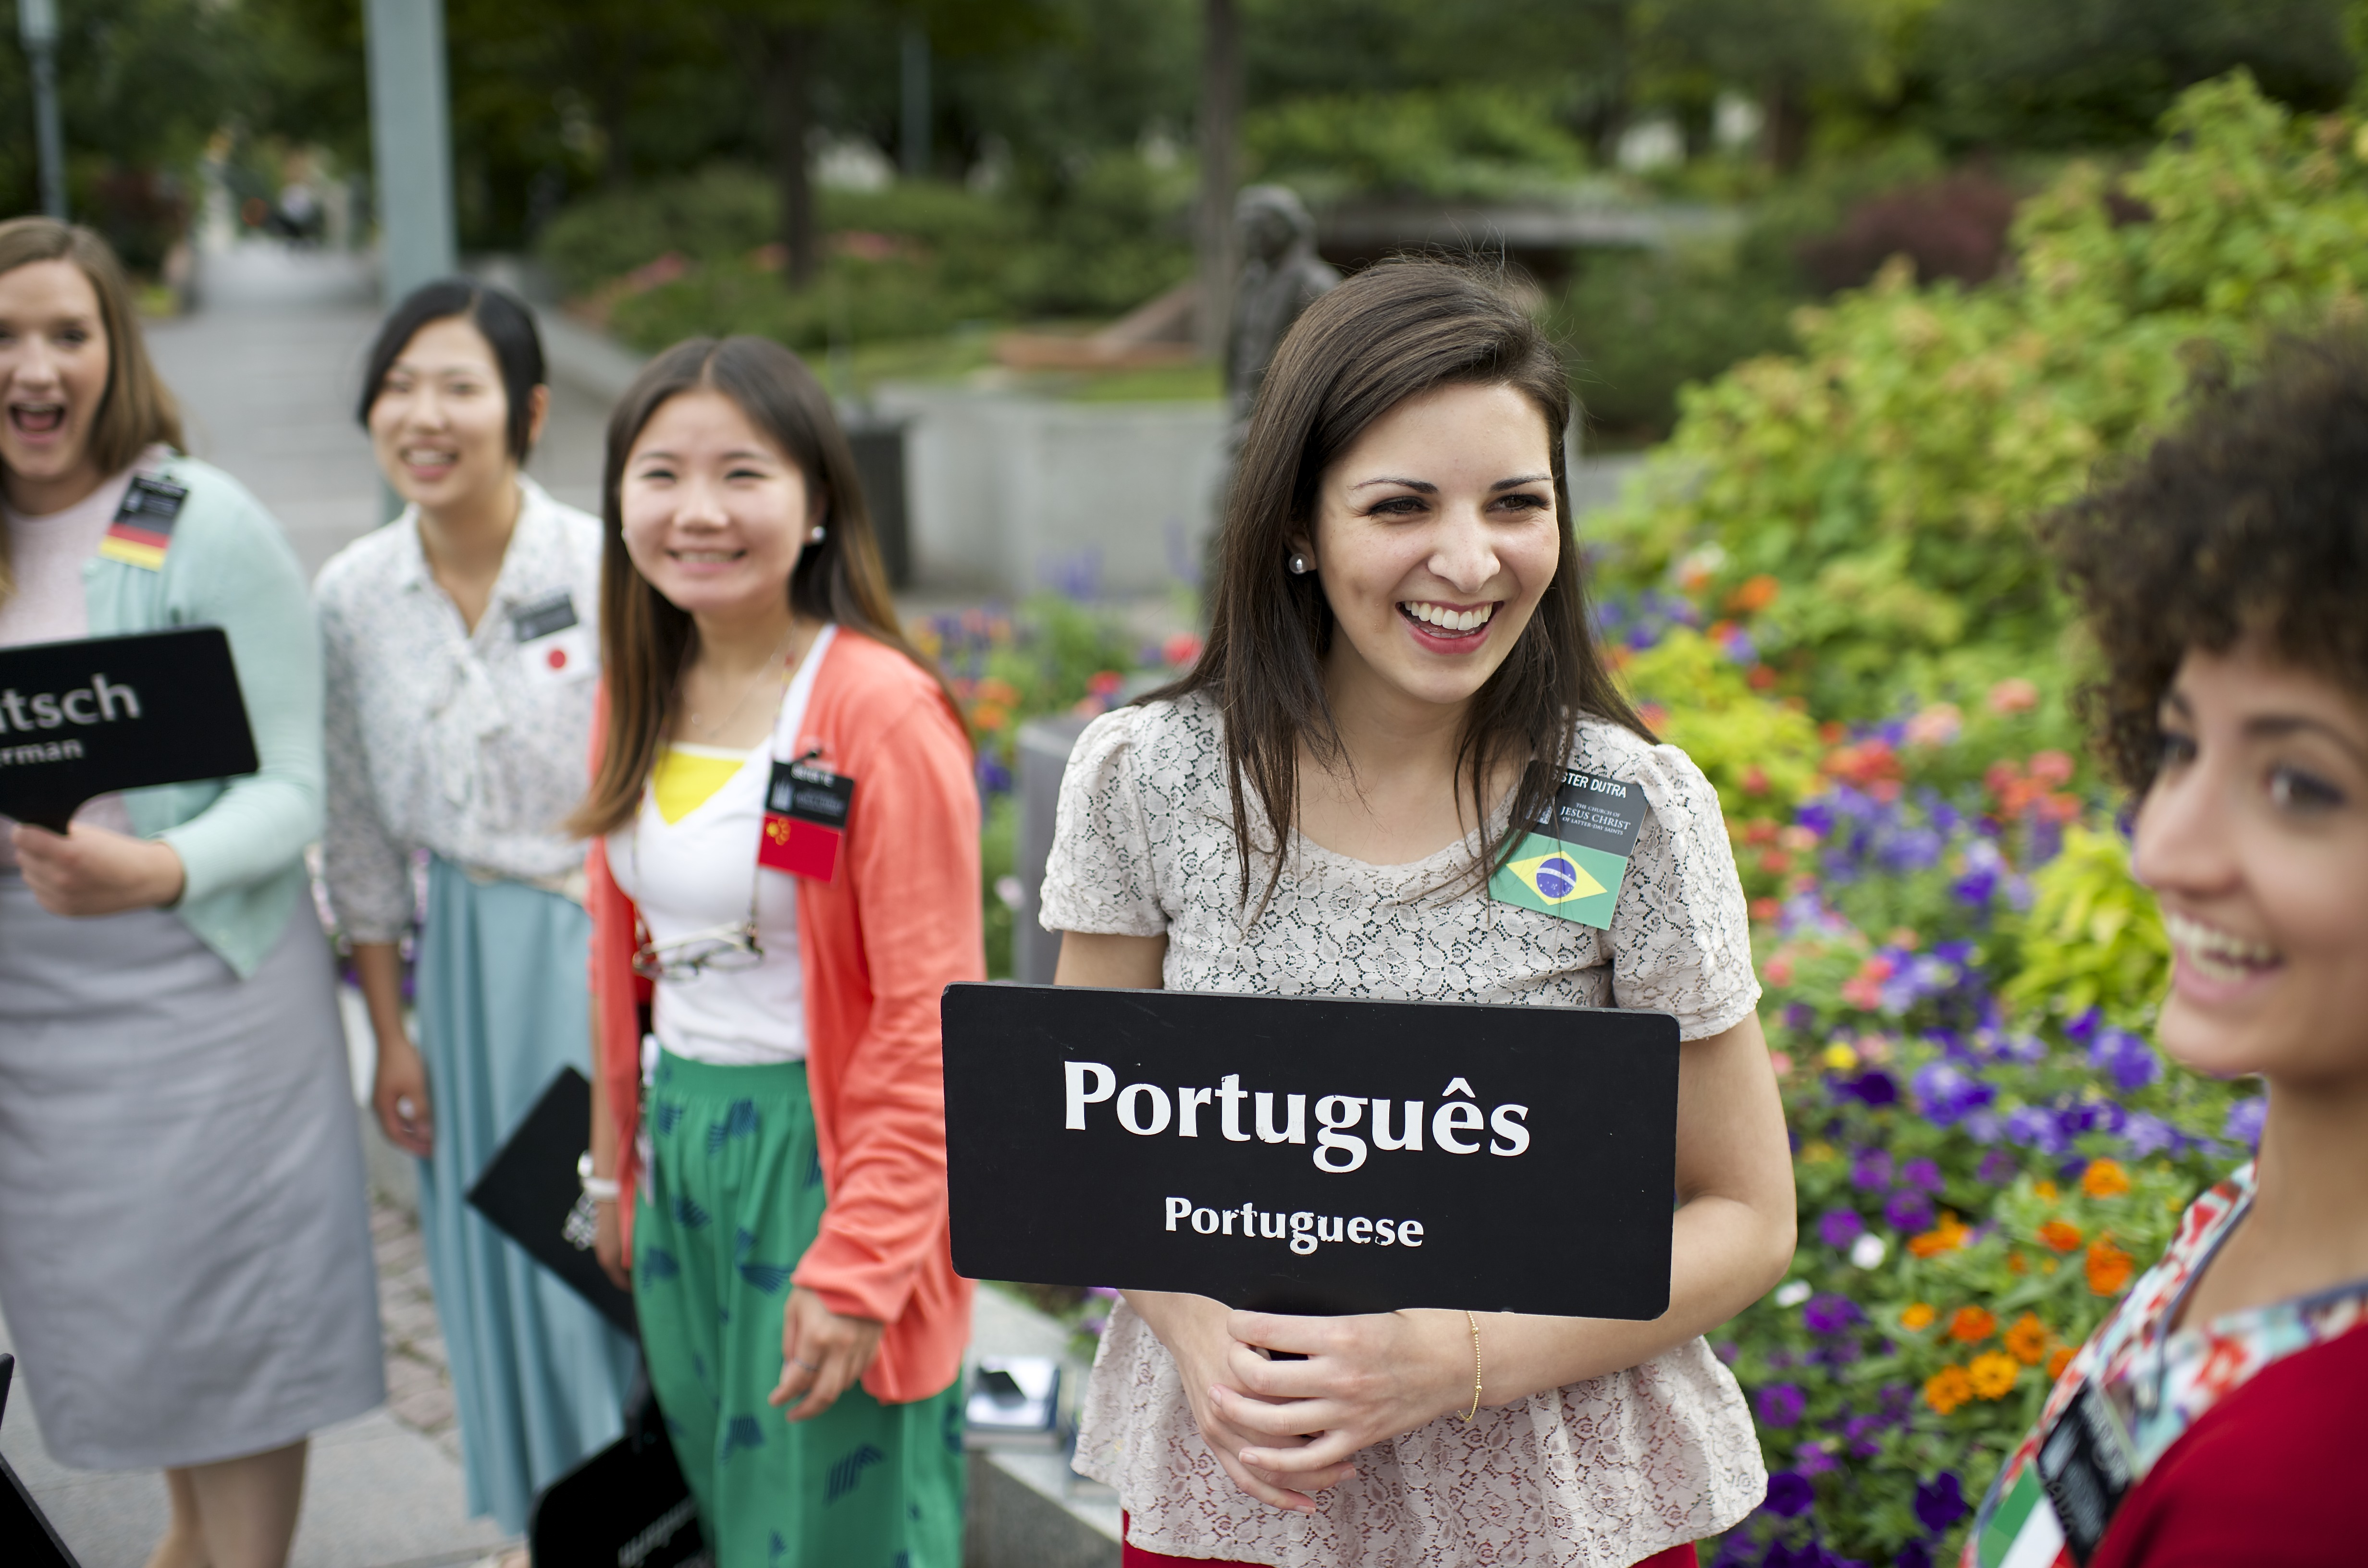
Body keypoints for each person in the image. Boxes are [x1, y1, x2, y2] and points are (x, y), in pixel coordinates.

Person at [1043, 257, 1794, 1568]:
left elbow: (1746, 1216)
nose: (1470, 559)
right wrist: (1195, 1324)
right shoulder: (1152, 778)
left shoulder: (1608, 807)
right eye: (1400, 506)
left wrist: (1452, 1361)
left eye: (1518, 503)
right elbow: (1085, 1148)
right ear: (1296, 526)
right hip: (1243, 1501)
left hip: (1557, 1508)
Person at [0, 217, 382, 1568]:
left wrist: (152, 869)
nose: (32, 366)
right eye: (3, 337)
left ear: (119, 349)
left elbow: (293, 791)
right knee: (144, 1349)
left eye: (66, 332)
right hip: (35, 1024)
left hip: (205, 996)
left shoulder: (204, 523)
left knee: (233, 1337)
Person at [1962, 331, 2368, 1568]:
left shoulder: (2308, 1482)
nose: (2161, 850)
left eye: (2299, 783)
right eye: (2181, 745)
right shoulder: (2256, 1224)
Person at [575, 335, 979, 1568]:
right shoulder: (639, 684)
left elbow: (929, 1012)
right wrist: (613, 1167)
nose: (698, 512)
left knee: (841, 1526)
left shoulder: (876, 709)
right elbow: (618, 959)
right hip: (685, 1146)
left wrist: (861, 1264)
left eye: (741, 473)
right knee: (741, 1509)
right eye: (661, 475)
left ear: (816, 505)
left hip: (829, 1160)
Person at [314, 277, 635, 1533]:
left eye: (458, 385)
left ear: (529, 410)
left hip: (593, 945)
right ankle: (533, 1526)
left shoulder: (604, 568)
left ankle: (627, 1521)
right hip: (458, 972)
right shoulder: (353, 593)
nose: (424, 414)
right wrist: (391, 1028)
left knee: (593, 1258)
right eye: (400, 386)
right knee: (488, 1261)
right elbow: (354, 829)